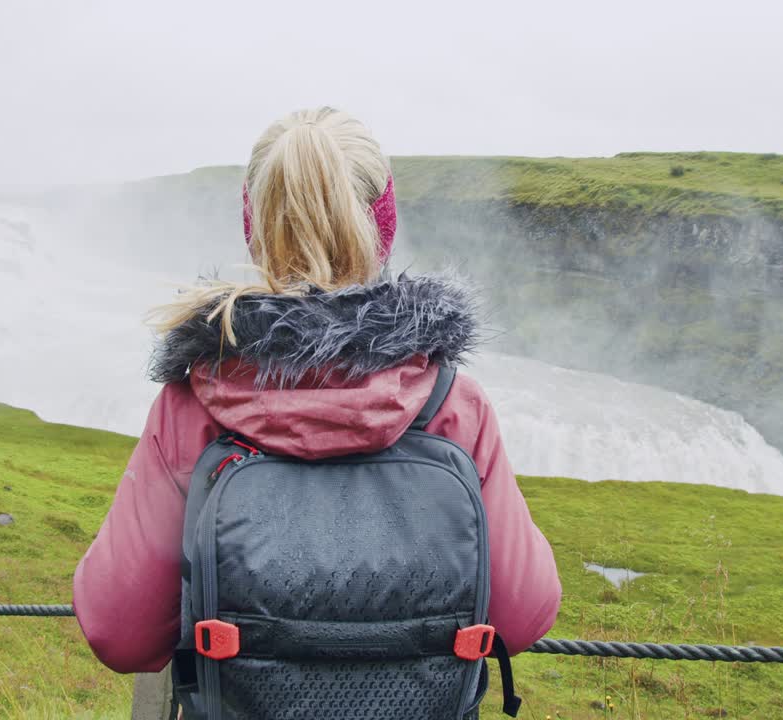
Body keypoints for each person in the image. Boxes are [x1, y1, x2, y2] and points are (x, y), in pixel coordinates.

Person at [72, 106, 562, 676]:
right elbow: (522, 615)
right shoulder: (452, 405)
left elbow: (121, 635)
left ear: (255, 227)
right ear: (383, 224)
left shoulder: (194, 404)